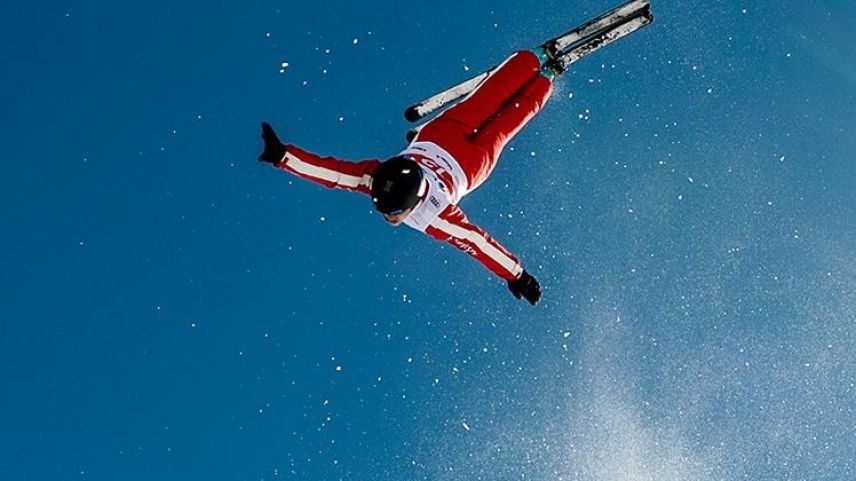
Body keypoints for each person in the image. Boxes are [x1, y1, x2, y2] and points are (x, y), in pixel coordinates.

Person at [258, 48, 565, 305]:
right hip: (442, 140)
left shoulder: (434, 216)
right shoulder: (374, 178)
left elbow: (476, 241)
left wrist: (517, 275)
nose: (388, 218)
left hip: (468, 164)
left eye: (393, 213)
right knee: (488, 106)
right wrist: (282, 156)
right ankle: (532, 62)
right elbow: (335, 173)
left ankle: (542, 75)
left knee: (503, 122)